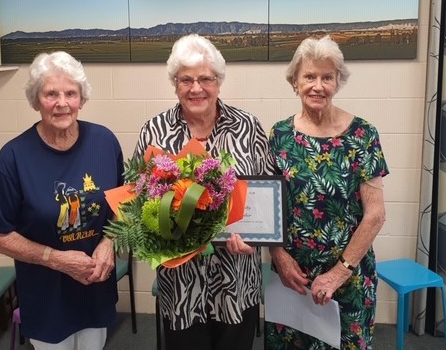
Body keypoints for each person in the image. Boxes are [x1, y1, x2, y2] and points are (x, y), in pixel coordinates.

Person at [133, 33, 276, 350]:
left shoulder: (248, 126)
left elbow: (267, 192)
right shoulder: (154, 131)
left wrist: (255, 238)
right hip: (182, 285)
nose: (196, 88)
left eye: (205, 79)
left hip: (237, 279)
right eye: (186, 80)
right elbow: (138, 197)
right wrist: (161, 232)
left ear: (219, 82)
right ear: (175, 84)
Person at [0, 51, 124, 350]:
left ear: (82, 99)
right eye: (51, 94)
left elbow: (125, 206)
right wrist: (56, 259)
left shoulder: (104, 141)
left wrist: (109, 244)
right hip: (46, 296)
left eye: (71, 93)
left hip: (95, 289)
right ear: (35, 100)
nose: (62, 103)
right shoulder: (14, 157)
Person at [266, 35, 388, 349]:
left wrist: (338, 273)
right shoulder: (279, 135)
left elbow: (375, 215)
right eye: (309, 76)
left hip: (347, 278)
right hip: (291, 278)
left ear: (337, 82)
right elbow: (268, 207)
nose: (317, 85)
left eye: (327, 77)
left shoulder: (363, 134)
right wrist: (278, 256)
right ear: (295, 81)